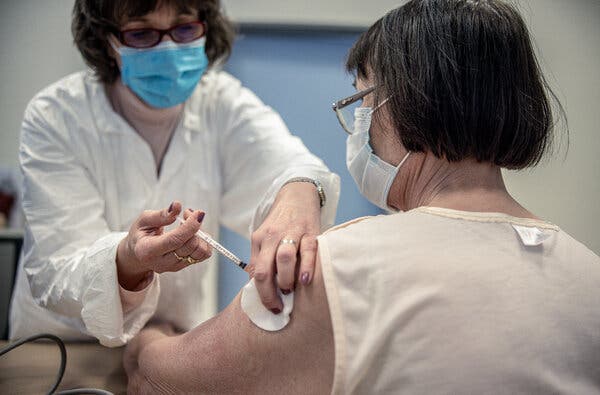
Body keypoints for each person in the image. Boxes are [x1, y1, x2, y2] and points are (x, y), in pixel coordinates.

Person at [122, 0, 600, 393]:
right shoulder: (587, 275)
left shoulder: (333, 267)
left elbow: (161, 380)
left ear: (402, 102)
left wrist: (146, 339)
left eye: (361, 100)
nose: (358, 124)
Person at [9, 0, 340, 347]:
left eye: (184, 28)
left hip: (176, 345)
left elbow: (295, 166)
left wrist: (298, 193)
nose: (168, 48)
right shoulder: (56, 117)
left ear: (204, 25)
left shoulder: (220, 102)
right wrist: (128, 260)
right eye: (141, 33)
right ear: (106, 41)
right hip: (66, 348)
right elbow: (55, 270)